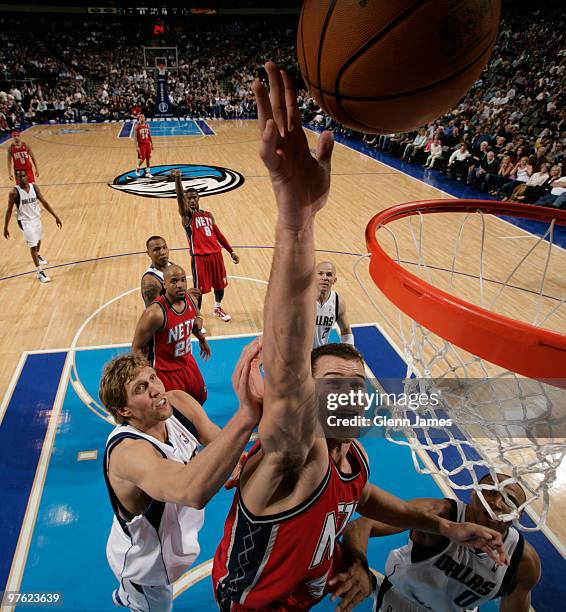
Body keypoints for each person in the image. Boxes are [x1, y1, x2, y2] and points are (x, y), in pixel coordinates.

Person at [212, 61, 506, 611]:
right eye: (329, 383)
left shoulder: (353, 460)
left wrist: (445, 530)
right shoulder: (297, 452)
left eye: (355, 380)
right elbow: (290, 358)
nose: (346, 389)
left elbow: (366, 500)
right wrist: (295, 219)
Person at [99, 341, 261, 612]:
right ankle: (129, 596)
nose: (155, 389)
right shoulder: (128, 453)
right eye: (140, 388)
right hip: (144, 566)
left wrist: (240, 462)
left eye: (152, 377)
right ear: (124, 411)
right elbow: (191, 490)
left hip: (174, 543)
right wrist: (247, 414)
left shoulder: (178, 403)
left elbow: (222, 444)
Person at [332, 473, 540, 612]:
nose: (496, 502)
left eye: (509, 499)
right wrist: (358, 564)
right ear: (473, 492)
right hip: (401, 601)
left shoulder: (524, 562)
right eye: (491, 491)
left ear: (518, 514)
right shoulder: (440, 513)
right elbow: (360, 526)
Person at [132, 264, 210, 404]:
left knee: (200, 398)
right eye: (174, 281)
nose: (179, 285)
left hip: (187, 362)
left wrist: (201, 339)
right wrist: (144, 374)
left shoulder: (190, 300)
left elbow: (192, 322)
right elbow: (137, 347)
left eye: (182, 280)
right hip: (165, 372)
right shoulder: (154, 313)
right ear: (165, 284)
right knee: (172, 413)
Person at [172, 169, 239, 322]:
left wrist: (231, 251)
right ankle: (197, 317)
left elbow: (219, 234)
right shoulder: (187, 216)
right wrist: (178, 180)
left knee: (220, 286)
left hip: (216, 255)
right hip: (200, 259)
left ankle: (217, 308)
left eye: (194, 197)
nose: (191, 201)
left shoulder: (208, 215)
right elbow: (180, 200)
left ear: (198, 197)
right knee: (198, 292)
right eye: (189, 199)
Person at [3, 169, 62, 283]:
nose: (22, 178)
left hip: (36, 218)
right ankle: (40, 272)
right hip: (25, 221)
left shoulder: (34, 187)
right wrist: (5, 227)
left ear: (27, 176)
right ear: (16, 179)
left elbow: (44, 202)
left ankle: (37, 255)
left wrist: (56, 216)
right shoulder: (14, 193)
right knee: (33, 246)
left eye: (23, 176)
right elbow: (9, 210)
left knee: (39, 241)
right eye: (19, 177)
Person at [140, 235, 201, 308]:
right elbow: (154, 311)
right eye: (157, 249)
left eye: (164, 247)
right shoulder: (150, 282)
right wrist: (186, 296)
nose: (163, 252)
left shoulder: (171, 265)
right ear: (148, 253)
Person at [314, 260, 354, 349]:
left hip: (318, 354)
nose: (324, 278)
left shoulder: (337, 303)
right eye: (320, 274)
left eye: (329, 275)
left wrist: (350, 351)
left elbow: (346, 330)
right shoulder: (301, 300)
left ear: (334, 280)